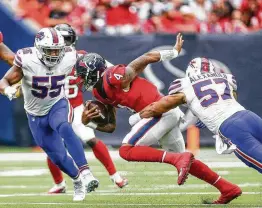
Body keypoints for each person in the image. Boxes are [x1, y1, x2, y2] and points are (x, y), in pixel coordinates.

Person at [75, 33, 241, 204]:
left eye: (83, 75)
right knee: (186, 160)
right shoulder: (98, 92)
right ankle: (227, 188)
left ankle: (177, 160)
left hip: (160, 110)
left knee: (126, 150)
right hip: (161, 114)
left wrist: (173, 53)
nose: (81, 80)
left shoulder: (113, 76)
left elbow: (146, 58)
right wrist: (89, 123)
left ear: (95, 71)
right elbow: (111, 126)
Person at [0, 28, 98, 201]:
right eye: (49, 50)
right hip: (35, 114)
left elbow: (94, 63)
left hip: (57, 104)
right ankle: (76, 179)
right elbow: (5, 80)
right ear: (39, 48)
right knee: (58, 157)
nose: (54, 54)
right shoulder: (27, 58)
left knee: (64, 127)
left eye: (57, 49)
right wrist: (8, 90)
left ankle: (86, 173)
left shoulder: (70, 55)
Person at [139, 57, 262, 175]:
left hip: (230, 126)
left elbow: (157, 108)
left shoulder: (184, 84)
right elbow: (232, 98)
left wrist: (140, 114)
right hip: (249, 117)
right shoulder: (226, 78)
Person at [46, 24, 127, 193]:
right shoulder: (79, 56)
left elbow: (109, 70)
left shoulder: (55, 59)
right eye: (62, 40)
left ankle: (115, 176)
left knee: (89, 140)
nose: (65, 43)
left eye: (67, 39)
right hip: (59, 108)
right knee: (53, 149)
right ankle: (60, 183)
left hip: (73, 108)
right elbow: (112, 70)